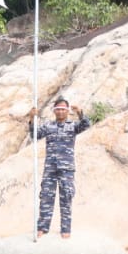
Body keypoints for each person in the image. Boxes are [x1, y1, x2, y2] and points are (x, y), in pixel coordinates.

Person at [32, 99, 90, 238]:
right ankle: (42, 227)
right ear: (54, 111)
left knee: (66, 197)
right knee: (46, 197)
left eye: (63, 109)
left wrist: (80, 112)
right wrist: (32, 119)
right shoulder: (49, 126)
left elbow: (86, 125)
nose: (60, 111)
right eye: (58, 109)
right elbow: (35, 135)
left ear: (67, 111)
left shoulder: (73, 126)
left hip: (67, 168)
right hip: (50, 168)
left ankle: (65, 229)